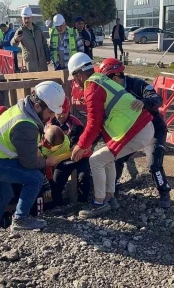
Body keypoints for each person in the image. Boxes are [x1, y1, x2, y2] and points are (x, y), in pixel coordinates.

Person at [68, 52, 155, 219]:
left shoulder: (92, 89)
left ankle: (99, 204)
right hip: (141, 127)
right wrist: (87, 143)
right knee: (106, 158)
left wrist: (80, 146)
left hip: (136, 130)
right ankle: (110, 198)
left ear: (78, 75)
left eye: (74, 79)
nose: (75, 83)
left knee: (96, 160)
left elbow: (94, 125)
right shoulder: (101, 80)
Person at [0, 81, 65, 233]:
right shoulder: (26, 125)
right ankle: (20, 219)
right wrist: (47, 161)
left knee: (4, 194)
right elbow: (29, 163)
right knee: (35, 178)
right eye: (50, 113)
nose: (51, 118)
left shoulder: (23, 107)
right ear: (38, 106)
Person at [98, 58, 172, 208]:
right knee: (117, 158)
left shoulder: (136, 84)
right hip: (133, 131)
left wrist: (144, 102)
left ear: (117, 76)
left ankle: (164, 193)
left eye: (108, 80)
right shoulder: (111, 92)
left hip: (154, 129)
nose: (107, 85)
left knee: (155, 165)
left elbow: (158, 99)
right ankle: (112, 189)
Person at [47, 97, 91, 205]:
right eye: (59, 113)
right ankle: (58, 206)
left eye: (64, 113)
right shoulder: (50, 124)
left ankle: (82, 203)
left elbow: (75, 148)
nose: (61, 116)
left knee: (83, 176)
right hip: (62, 158)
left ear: (68, 111)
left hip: (80, 156)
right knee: (56, 182)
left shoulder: (76, 124)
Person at [11, 7, 50, 72]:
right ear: (22, 19)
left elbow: (44, 44)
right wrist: (16, 39)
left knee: (44, 81)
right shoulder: (20, 31)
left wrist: (48, 57)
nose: (26, 20)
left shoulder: (38, 30)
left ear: (31, 18)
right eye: (24, 18)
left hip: (42, 65)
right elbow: (12, 43)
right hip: (30, 66)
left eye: (28, 18)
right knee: (32, 82)